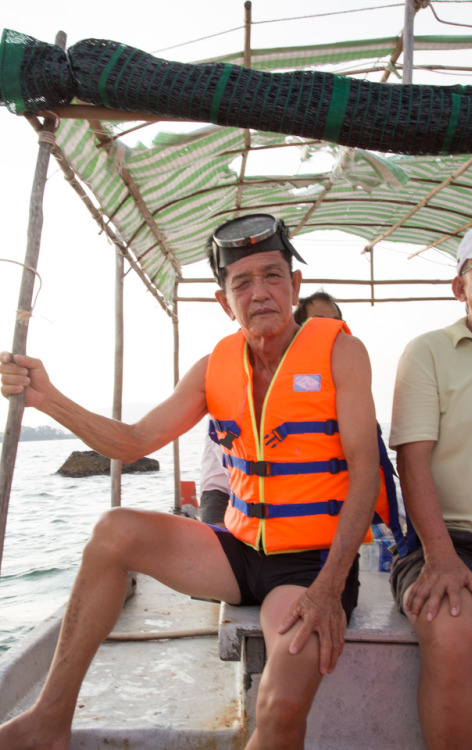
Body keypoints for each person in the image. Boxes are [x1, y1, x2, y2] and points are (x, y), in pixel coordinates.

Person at [0, 212, 383, 750]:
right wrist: (48, 399)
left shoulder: (343, 353)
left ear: (294, 285)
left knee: (277, 705)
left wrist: (328, 589)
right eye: (242, 282)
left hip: (311, 566)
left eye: (273, 276)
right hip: (239, 550)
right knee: (114, 530)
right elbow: (132, 442)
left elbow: (365, 472)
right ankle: (48, 720)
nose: (260, 293)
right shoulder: (212, 368)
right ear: (224, 301)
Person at [389, 217, 472, 750]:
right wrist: (440, 556)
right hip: (458, 542)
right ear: (460, 285)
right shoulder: (428, 351)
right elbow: (413, 462)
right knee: (451, 630)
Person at [199, 290, 344, 527]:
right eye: (319, 322)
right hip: (223, 490)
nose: (329, 328)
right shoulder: (222, 373)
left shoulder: (332, 374)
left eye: (336, 322)